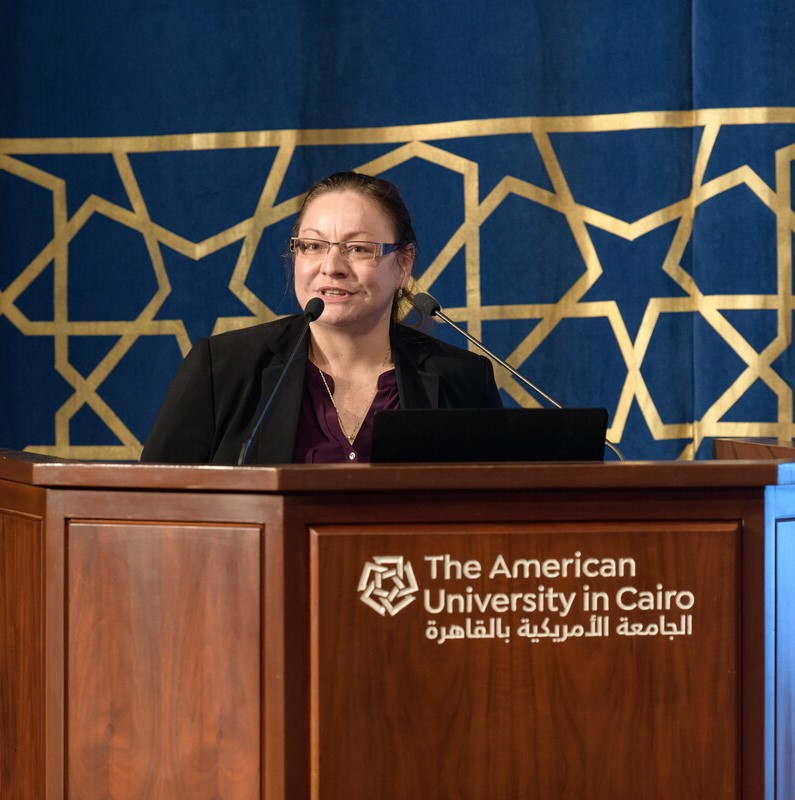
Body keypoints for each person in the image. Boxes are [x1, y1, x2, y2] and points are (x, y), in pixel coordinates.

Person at [140, 170, 502, 464]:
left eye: (358, 249)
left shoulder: (463, 382)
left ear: (403, 263)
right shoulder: (223, 370)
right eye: (313, 246)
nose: (331, 267)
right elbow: (149, 509)